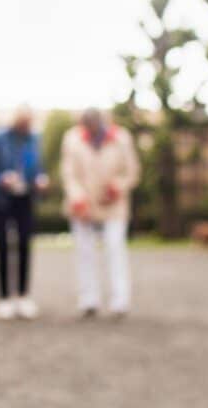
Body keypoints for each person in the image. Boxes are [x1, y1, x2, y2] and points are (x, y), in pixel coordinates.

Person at [60, 108, 140, 318]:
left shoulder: (121, 138)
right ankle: (89, 299)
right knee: (84, 251)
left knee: (115, 248)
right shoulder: (72, 139)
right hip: (83, 204)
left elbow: (131, 172)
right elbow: (69, 174)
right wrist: (78, 199)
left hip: (112, 204)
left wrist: (118, 187)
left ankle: (119, 301)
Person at [0, 106, 49, 320]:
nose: (27, 126)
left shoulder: (34, 139)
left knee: (25, 246)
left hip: (25, 198)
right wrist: (0, 179)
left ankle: (23, 296)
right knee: (2, 246)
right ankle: (4, 298)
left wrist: (40, 179)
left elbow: (37, 167)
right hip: (0, 199)